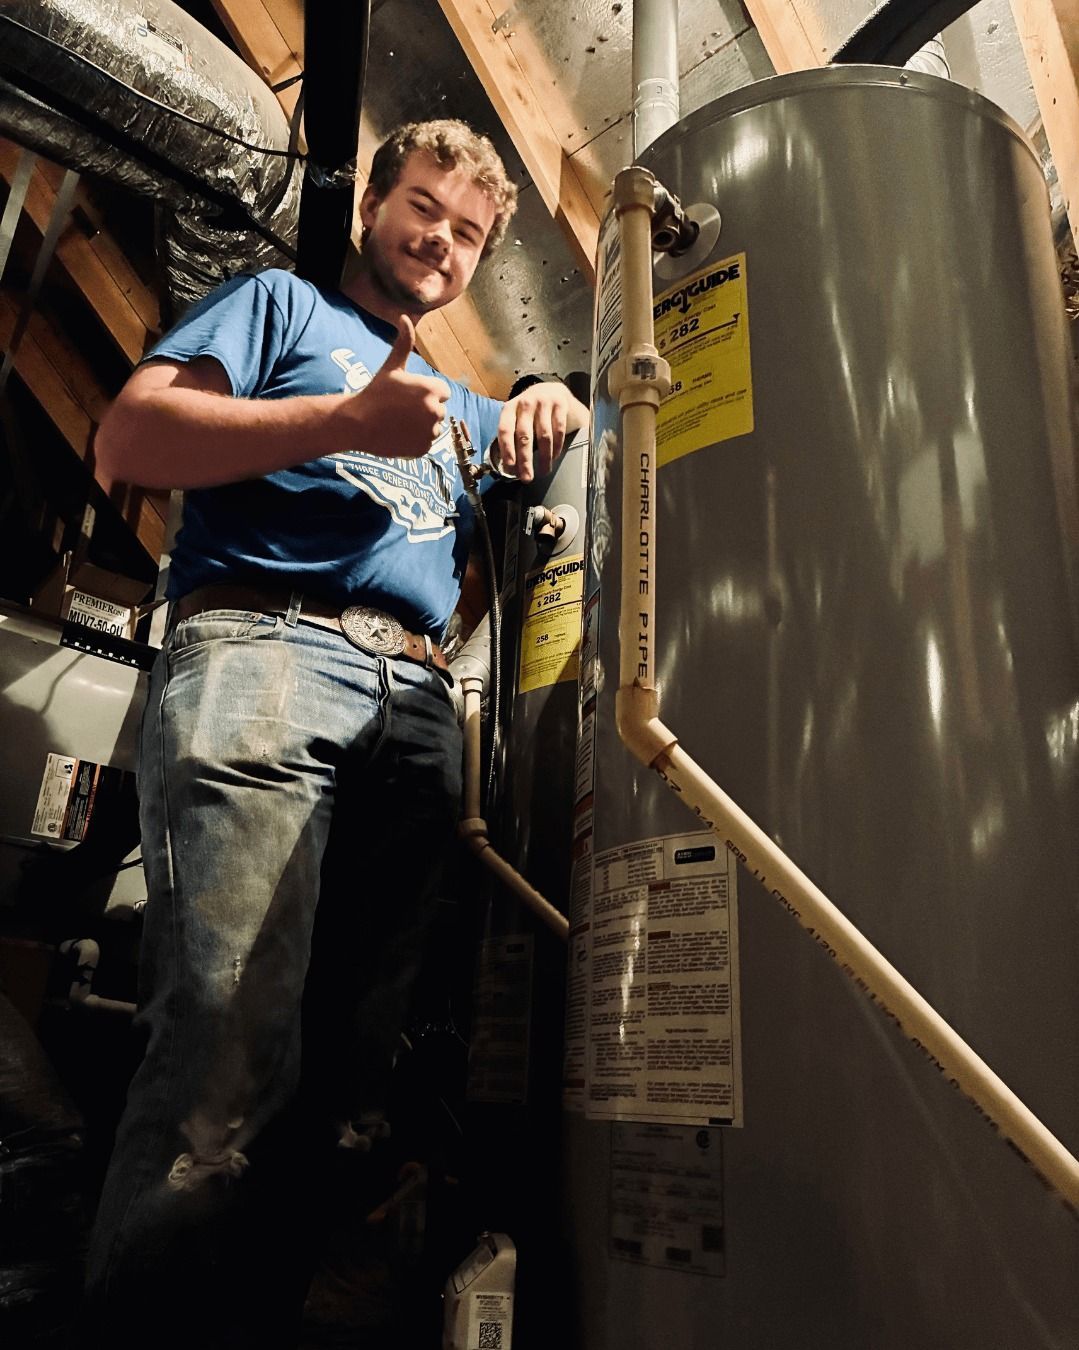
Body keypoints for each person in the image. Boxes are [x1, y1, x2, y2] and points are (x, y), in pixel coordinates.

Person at [85, 118, 589, 1348]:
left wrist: (547, 396)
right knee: (227, 1038)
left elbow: (561, 460)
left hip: (417, 711)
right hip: (267, 655)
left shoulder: (458, 407)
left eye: (469, 233)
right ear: (374, 203)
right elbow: (128, 441)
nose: (443, 242)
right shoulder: (278, 312)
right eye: (425, 206)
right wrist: (337, 426)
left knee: (354, 1086)